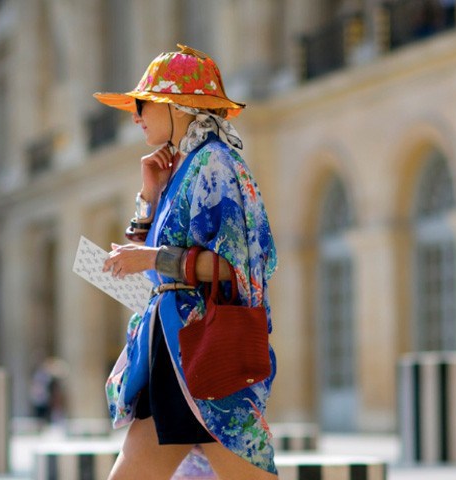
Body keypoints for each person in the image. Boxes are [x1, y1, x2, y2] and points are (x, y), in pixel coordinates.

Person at [94, 44, 278, 480]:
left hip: (202, 351)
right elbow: (151, 250)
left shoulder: (215, 162)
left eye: (143, 105)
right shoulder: (184, 167)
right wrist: (149, 192)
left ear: (177, 106)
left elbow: (235, 267)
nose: (136, 116)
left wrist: (152, 258)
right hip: (176, 349)